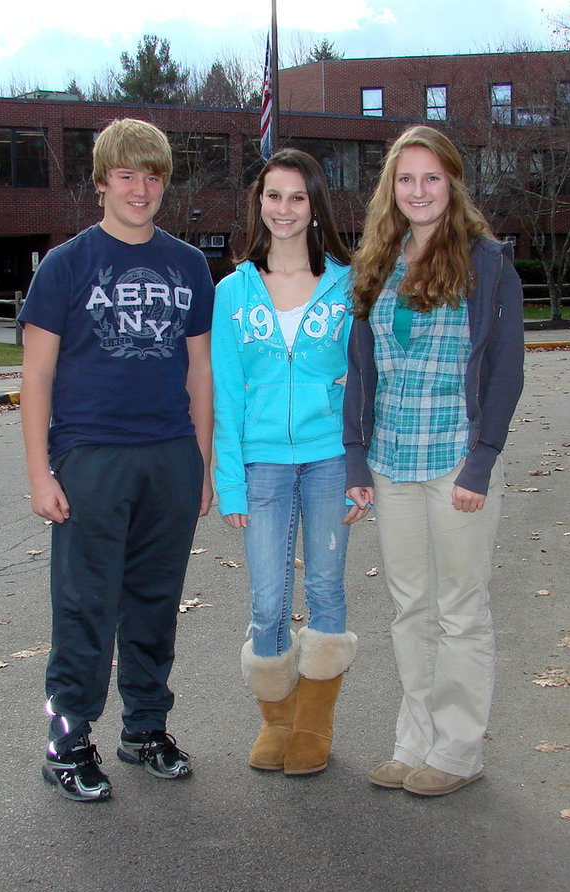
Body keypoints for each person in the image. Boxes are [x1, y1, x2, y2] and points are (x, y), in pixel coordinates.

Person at [19, 117, 214, 802]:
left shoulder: (189, 265)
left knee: (155, 604)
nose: (141, 187)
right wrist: (41, 472)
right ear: (101, 182)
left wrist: (203, 462)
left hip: (168, 456)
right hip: (89, 456)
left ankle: (146, 730)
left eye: (153, 174)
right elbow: (36, 377)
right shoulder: (66, 265)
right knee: (84, 607)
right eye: (127, 174)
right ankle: (67, 744)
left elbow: (198, 371)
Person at [344, 125, 524, 797]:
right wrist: (355, 460)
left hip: (456, 462)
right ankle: (413, 739)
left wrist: (482, 461)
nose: (419, 191)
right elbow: (362, 371)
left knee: (460, 609)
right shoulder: (378, 263)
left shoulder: (488, 263)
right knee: (409, 607)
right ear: (393, 189)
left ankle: (458, 749)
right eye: (406, 179)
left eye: (432, 178)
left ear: (452, 184)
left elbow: (505, 372)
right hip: (391, 460)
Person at [212, 149, 357, 775]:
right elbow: (225, 392)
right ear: (259, 203)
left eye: (298, 196)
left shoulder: (348, 286)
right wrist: (231, 483)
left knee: (326, 587)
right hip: (263, 464)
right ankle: (278, 722)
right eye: (274, 195)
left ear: (314, 206)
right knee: (268, 599)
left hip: (329, 459)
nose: (285, 209)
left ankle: (314, 727)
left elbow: (364, 387)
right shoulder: (232, 292)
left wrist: (361, 472)